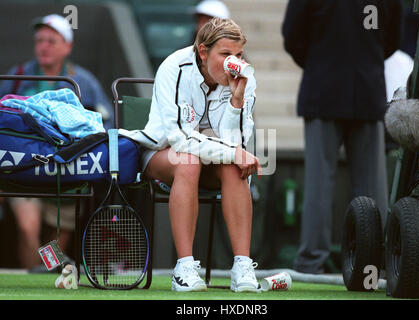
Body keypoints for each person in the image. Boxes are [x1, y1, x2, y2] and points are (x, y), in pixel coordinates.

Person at [119, 18, 261, 292]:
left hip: (213, 160)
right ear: (203, 52)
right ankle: (184, 267)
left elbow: (238, 143)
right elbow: (179, 139)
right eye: (226, 55)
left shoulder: (245, 78)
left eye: (238, 55)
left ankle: (242, 266)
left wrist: (236, 101)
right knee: (188, 160)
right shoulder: (174, 66)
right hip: (162, 154)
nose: (234, 62)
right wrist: (232, 152)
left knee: (235, 167)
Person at [282, 0, 403, 274]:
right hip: (367, 87)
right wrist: (363, 57)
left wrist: (320, 61)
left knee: (318, 184)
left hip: (323, 88)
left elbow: (293, 37)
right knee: (371, 186)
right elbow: (393, 39)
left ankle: (311, 263)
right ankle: (374, 263)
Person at [0, 14, 113, 270]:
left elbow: (105, 126)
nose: (44, 46)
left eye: (51, 40)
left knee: (56, 237)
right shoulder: (17, 75)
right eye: (39, 40)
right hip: (22, 169)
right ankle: (35, 281)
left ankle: (50, 279)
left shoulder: (84, 82)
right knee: (28, 228)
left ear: (67, 47)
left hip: (65, 171)